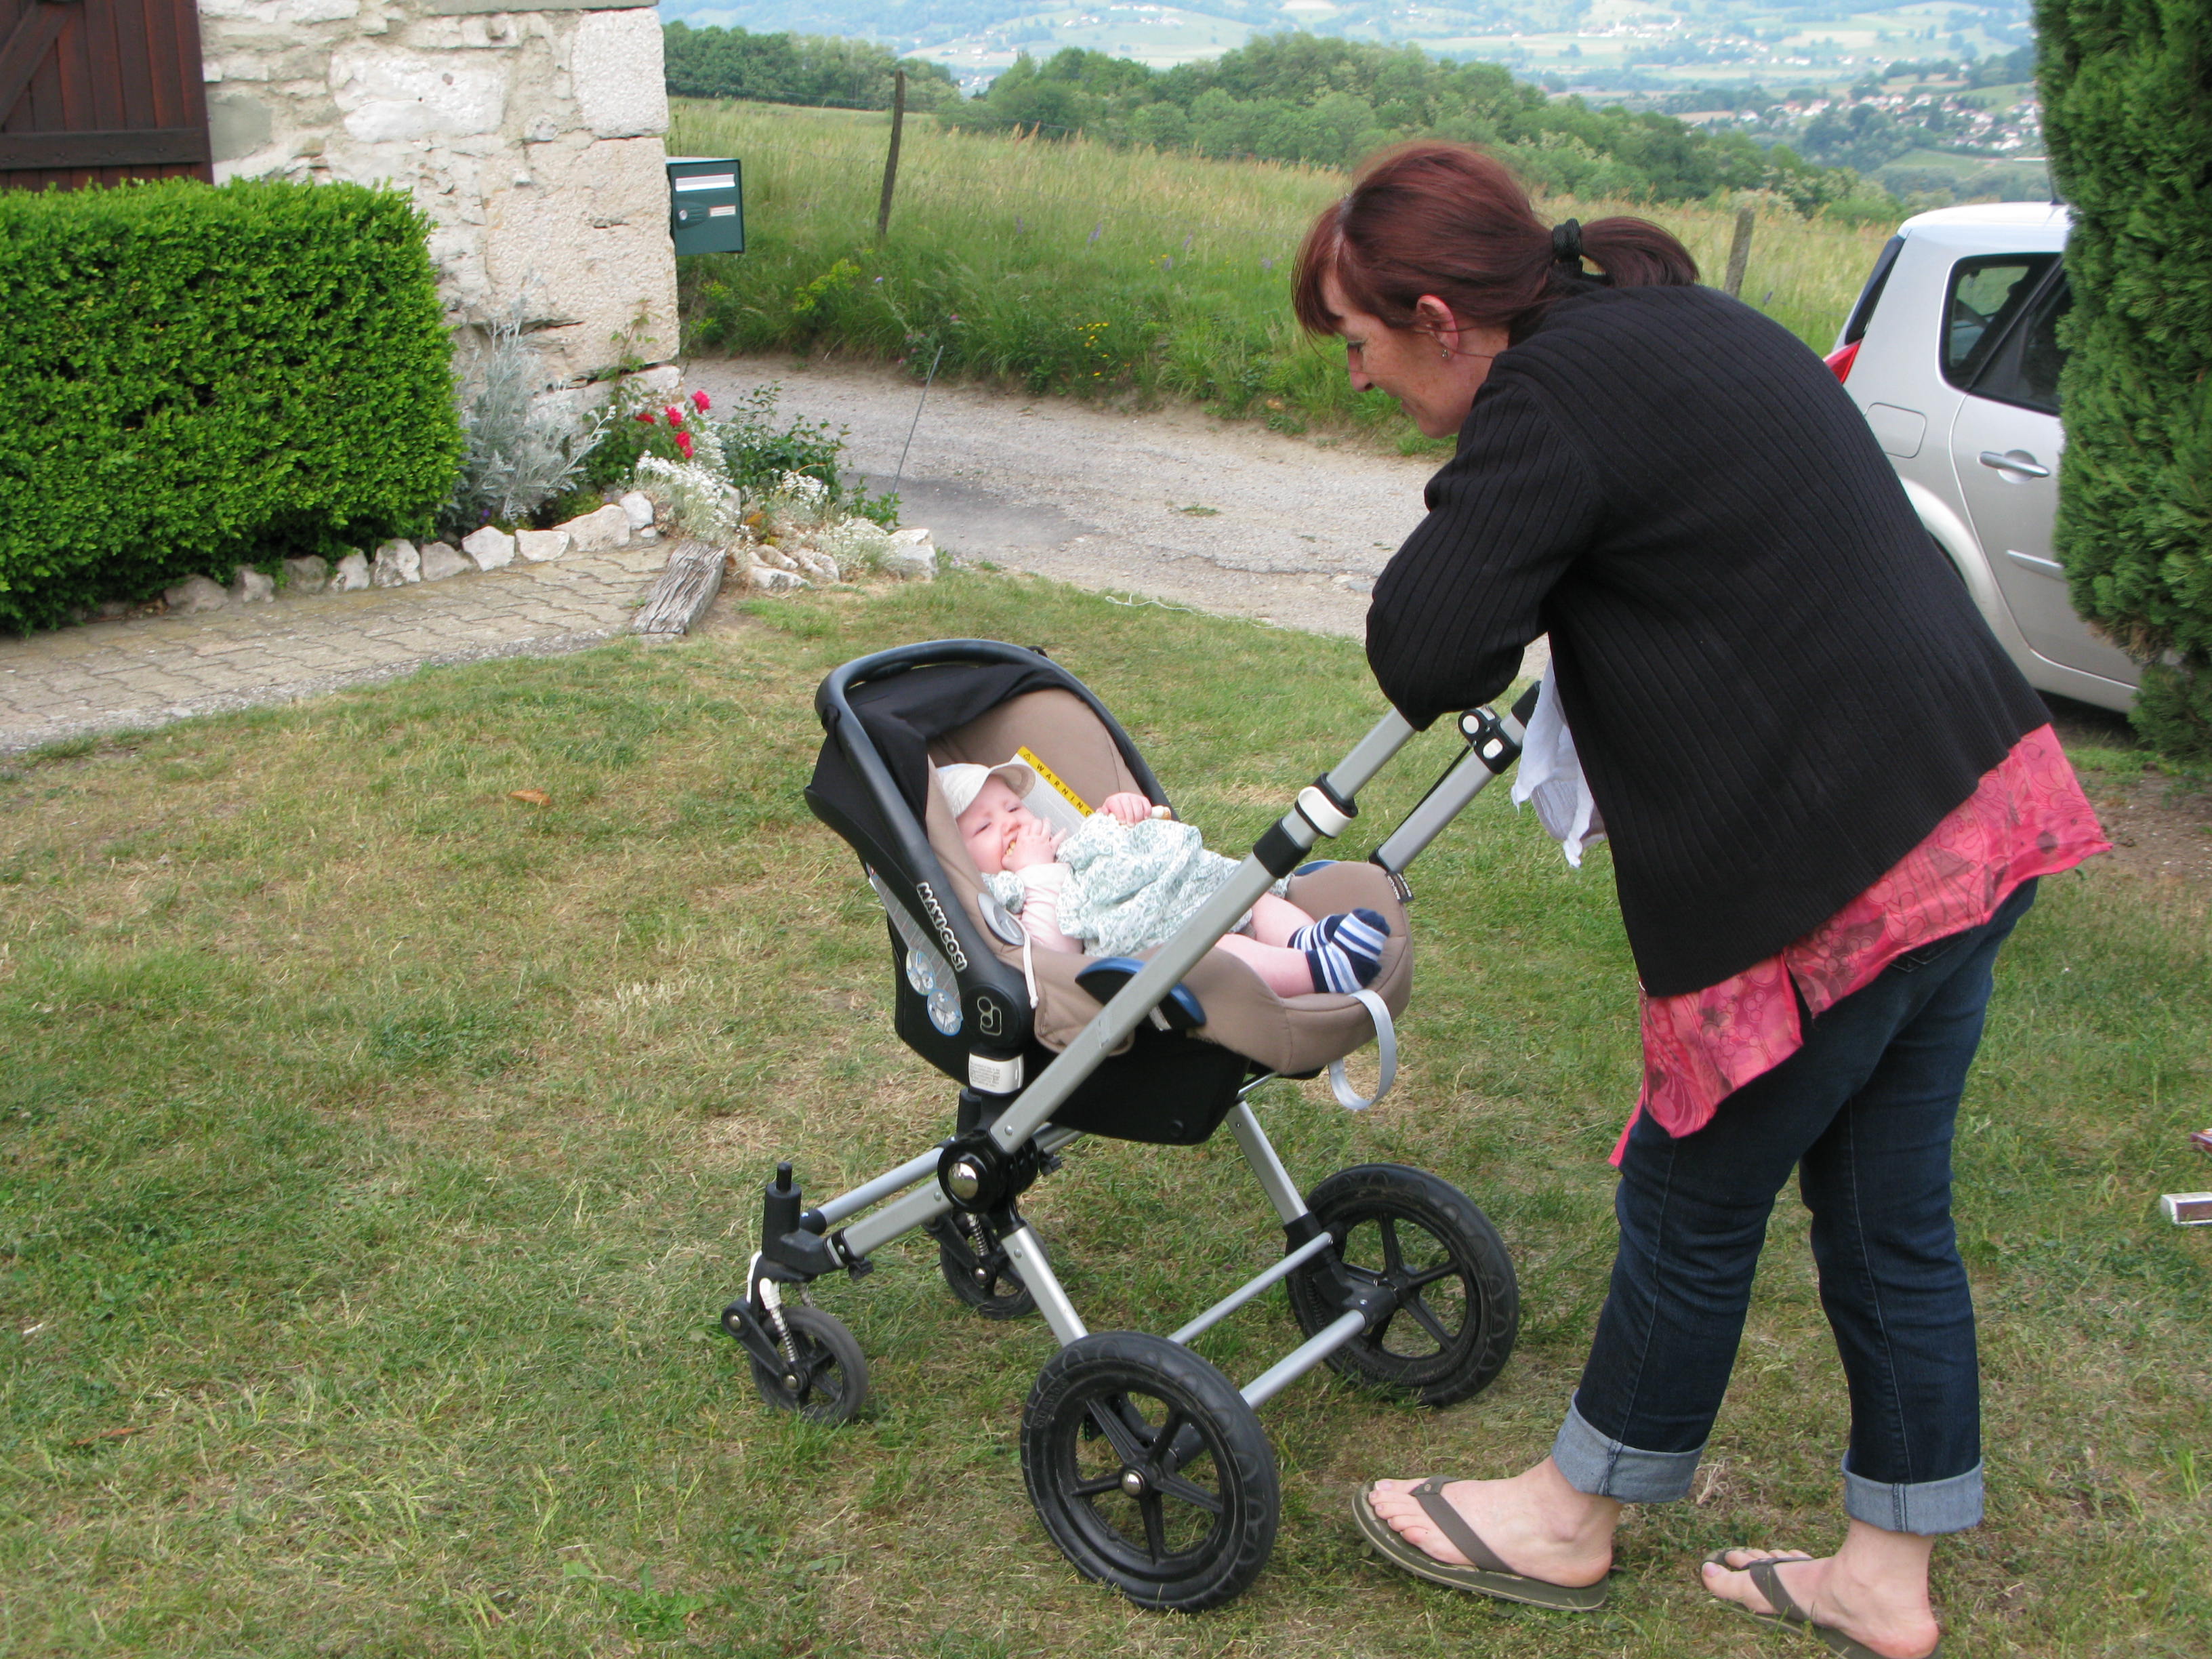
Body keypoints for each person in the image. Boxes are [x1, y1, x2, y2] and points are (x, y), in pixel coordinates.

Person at [1295, 143, 2108, 1658]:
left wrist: (1505, 520)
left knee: (1691, 1194)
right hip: (1976, 811)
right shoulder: (1680, 319)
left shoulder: (1549, 391)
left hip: (1844, 873)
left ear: (1438, 318)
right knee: (1885, 1210)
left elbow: (1426, 646)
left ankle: (1569, 1516)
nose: (1354, 378)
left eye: (1355, 343)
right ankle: (1883, 1576)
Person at [939, 758, 1391, 997]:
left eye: (1013, 807)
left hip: (1178, 892)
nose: (1010, 823)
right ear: (962, 857)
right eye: (984, 827)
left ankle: (1308, 939)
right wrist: (1036, 870)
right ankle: (1318, 972)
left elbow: (1106, 852)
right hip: (1146, 944)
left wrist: (1118, 813)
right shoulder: (1003, 890)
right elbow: (1051, 957)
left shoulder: (1060, 842)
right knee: (1218, 949)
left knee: (1249, 895)